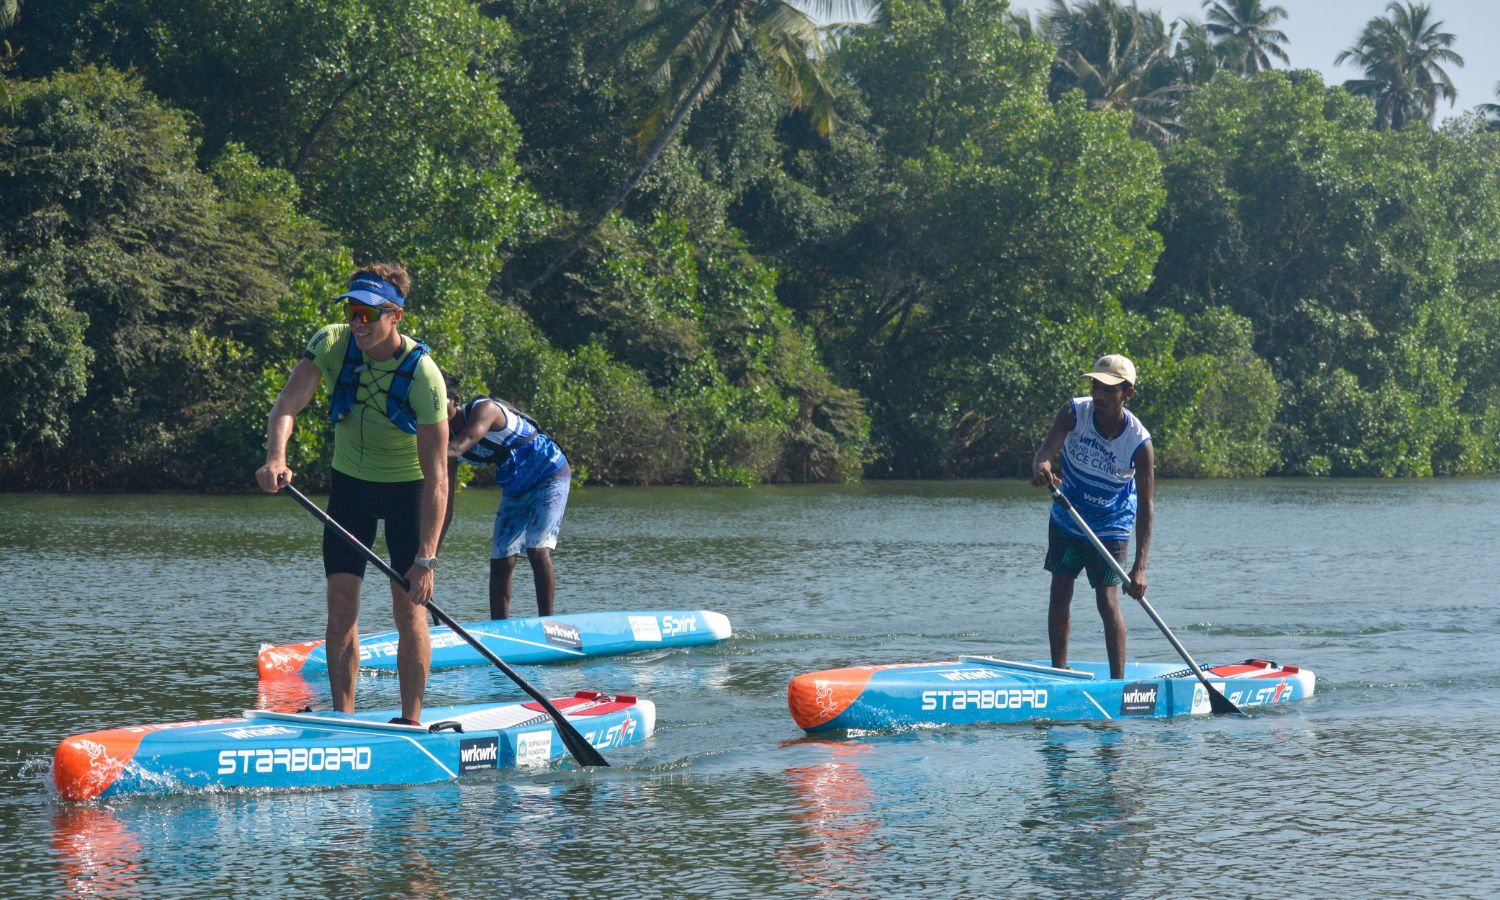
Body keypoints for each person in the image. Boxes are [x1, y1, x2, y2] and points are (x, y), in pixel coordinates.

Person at [255, 264, 448, 725]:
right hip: (351, 488)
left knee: (408, 608)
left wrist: (426, 559)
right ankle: (344, 721)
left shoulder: (424, 376)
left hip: (409, 492)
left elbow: (439, 477)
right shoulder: (332, 343)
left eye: (369, 315)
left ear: (395, 316)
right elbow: (287, 404)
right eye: (353, 312)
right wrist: (276, 457)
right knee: (341, 605)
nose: (358, 323)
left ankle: (410, 721)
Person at [1029, 354, 1154, 680]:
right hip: (1068, 519)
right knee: (1060, 591)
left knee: (1107, 600)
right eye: (1096, 386)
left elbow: (1147, 506)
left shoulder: (1139, 443)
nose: (1099, 395)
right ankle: (1058, 672)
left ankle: (1118, 683)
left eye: (1109, 390)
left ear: (1128, 394)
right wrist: (1042, 465)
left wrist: (1139, 567)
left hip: (1111, 526)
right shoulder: (1073, 413)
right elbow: (1045, 453)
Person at [440, 376, 570, 620]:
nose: (434, 410)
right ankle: (498, 628)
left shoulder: (484, 409)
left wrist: (423, 447)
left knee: (536, 548)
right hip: (516, 487)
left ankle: (549, 622)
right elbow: (445, 506)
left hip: (549, 472)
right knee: (501, 559)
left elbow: (458, 447)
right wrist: (430, 557)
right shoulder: (447, 441)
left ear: (455, 401)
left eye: (439, 402)